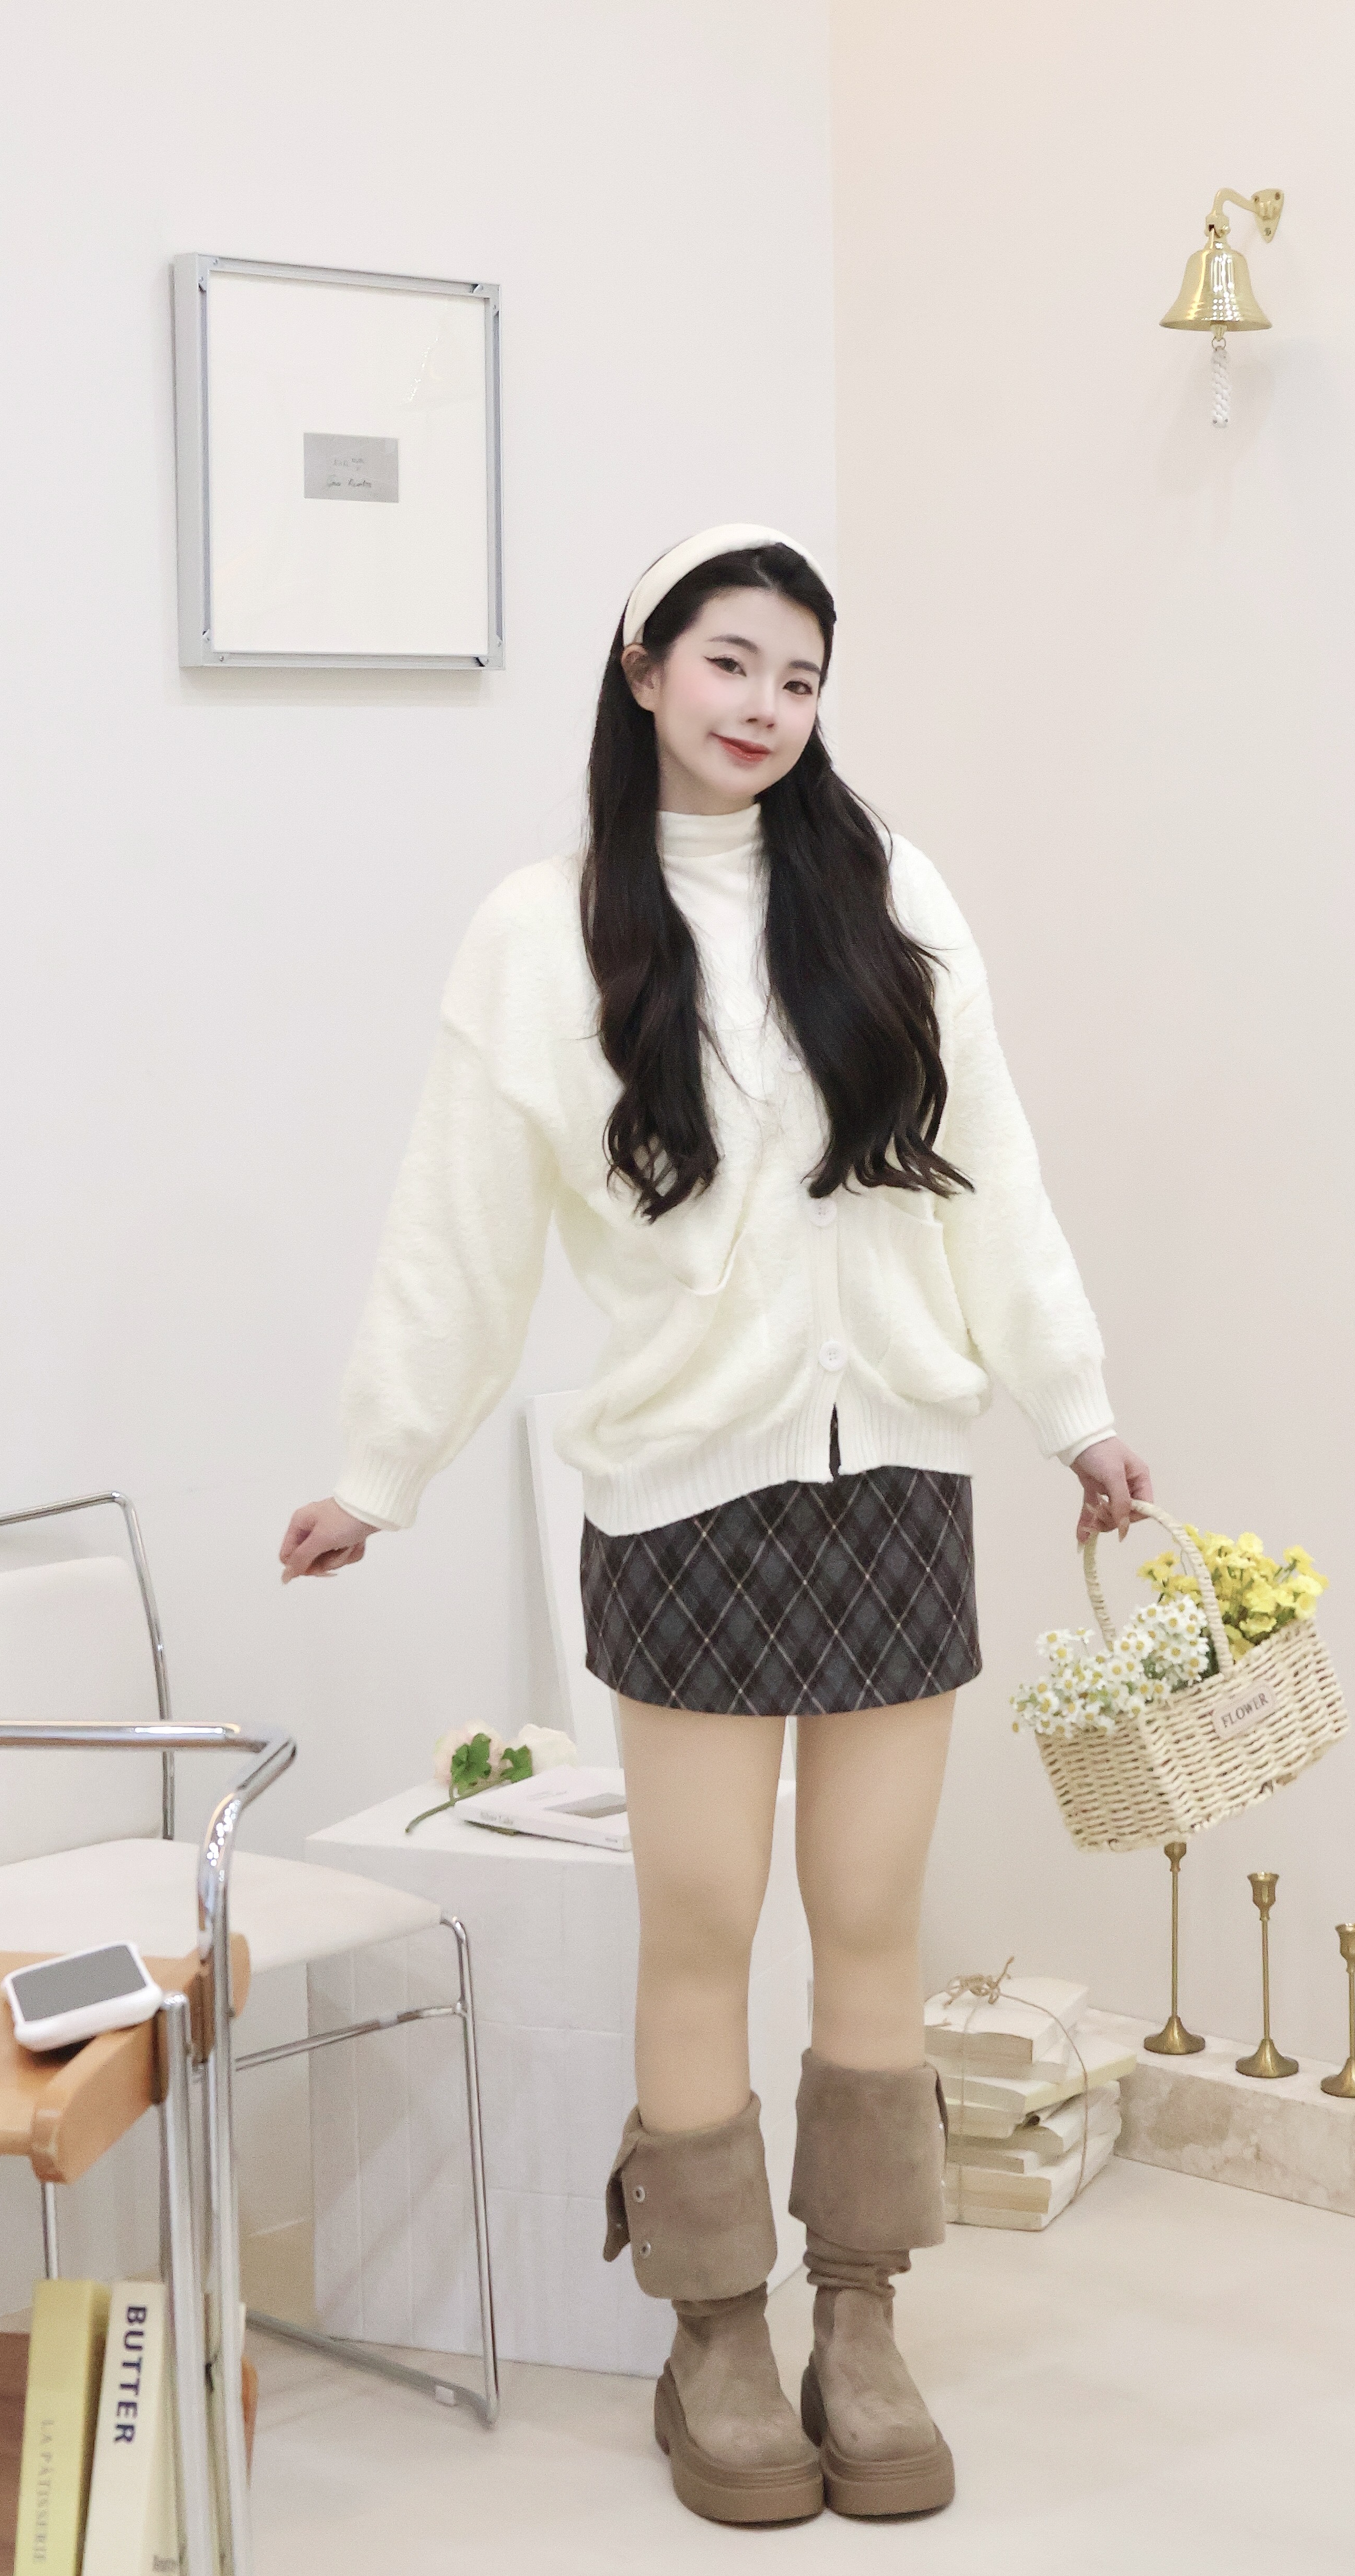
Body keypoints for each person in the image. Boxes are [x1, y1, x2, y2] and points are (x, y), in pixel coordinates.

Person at [279, 526, 1149, 2527]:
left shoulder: (889, 886)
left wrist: (1077, 1407)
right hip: (685, 1492)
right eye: (732, 661)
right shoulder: (544, 930)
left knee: (872, 1917)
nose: (766, 706)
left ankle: (863, 2320)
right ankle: (716, 2332)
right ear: (645, 665)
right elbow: (460, 1230)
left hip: (895, 1478)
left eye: (802, 676)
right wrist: (381, 1469)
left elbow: (992, 1171)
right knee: (698, 1920)